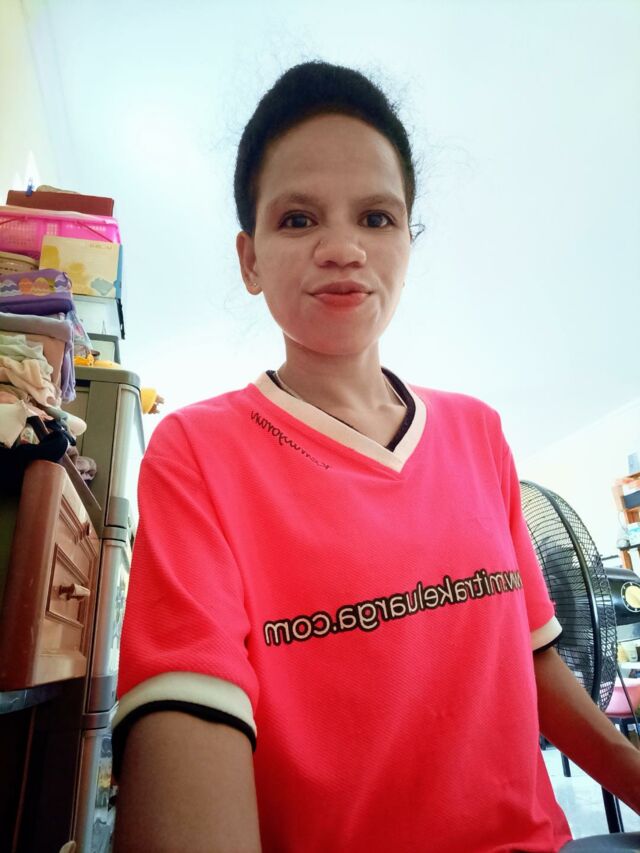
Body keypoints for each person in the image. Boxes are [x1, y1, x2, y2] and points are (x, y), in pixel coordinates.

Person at [112, 61, 640, 852]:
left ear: (406, 242)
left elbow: (533, 665)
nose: (342, 248)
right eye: (298, 219)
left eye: (377, 217)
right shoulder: (195, 452)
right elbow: (186, 714)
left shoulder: (479, 434)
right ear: (249, 258)